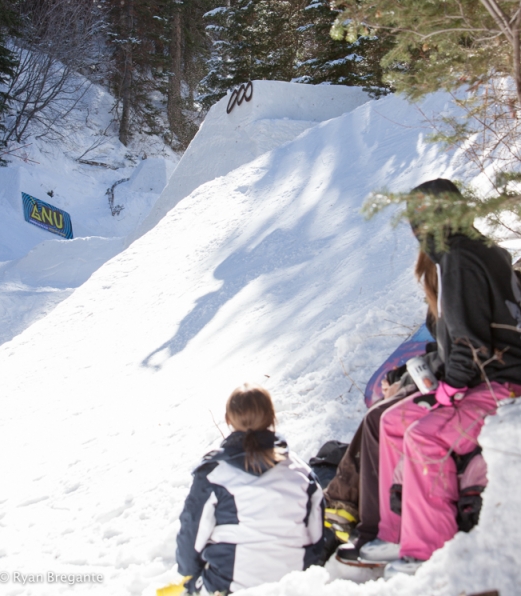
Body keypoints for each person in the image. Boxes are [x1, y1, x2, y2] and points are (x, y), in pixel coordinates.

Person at [358, 178, 521, 578]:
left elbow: (469, 342)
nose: (417, 229)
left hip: (501, 385)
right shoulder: (468, 252)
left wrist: (449, 390)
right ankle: (396, 533)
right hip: (484, 379)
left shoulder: (461, 257)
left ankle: (428, 550)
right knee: (393, 421)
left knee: (426, 437)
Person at [176, 384, 324, 594]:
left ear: (228, 420)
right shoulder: (300, 471)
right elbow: (316, 534)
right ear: (272, 417)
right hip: (293, 584)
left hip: (231, 585)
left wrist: (189, 572)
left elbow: (192, 531)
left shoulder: (214, 474)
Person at [323, 312, 441, 564]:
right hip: (446, 373)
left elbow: (459, 353)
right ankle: (344, 502)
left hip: (466, 385)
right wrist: (403, 376)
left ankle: (371, 527)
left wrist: (405, 381)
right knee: (379, 414)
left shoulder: (467, 292)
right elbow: (445, 347)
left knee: (380, 418)